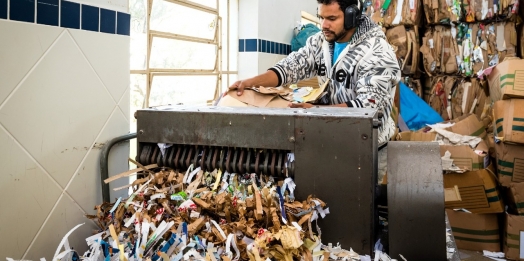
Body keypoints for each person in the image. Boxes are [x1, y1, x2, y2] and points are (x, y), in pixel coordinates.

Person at [229, 0, 401, 145]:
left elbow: (368, 106)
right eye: (322, 18)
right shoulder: (321, 42)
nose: (324, 25)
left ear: (352, 16)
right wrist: (250, 82)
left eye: (332, 18)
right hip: (333, 137)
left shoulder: (377, 50)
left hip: (369, 146)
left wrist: (316, 111)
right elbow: (291, 66)